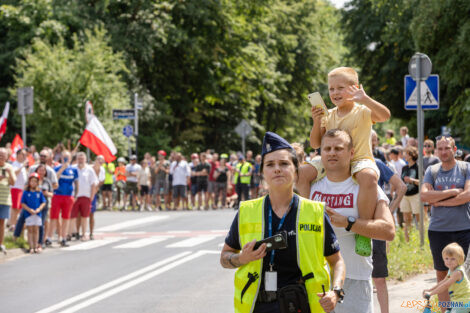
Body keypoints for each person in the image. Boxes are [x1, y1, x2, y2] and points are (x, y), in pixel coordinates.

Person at [221, 132, 345, 313]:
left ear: (296, 170)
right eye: (270, 165)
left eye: (284, 164)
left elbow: (337, 261)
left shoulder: (315, 211)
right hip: (258, 307)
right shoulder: (246, 211)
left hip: (305, 305)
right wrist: (241, 258)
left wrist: (336, 292)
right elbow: (225, 257)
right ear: (262, 172)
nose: (277, 169)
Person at [298, 129, 395, 313]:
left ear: (351, 153)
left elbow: (388, 231)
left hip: (355, 278)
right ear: (320, 154)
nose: (332, 152)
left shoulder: (366, 187)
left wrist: (349, 222)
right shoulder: (310, 186)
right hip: (315, 278)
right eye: (327, 148)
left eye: (338, 148)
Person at [309, 67, 390, 238]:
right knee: (302, 172)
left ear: (354, 88)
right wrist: (317, 122)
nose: (335, 92)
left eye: (340, 88)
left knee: (369, 176)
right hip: (332, 162)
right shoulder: (328, 115)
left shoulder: (361, 111)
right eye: (331, 89)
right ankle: (307, 217)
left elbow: (385, 116)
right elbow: (315, 143)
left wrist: (365, 99)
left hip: (359, 160)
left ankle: (364, 229)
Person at [421, 135, 470, 312]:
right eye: (440, 149)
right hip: (438, 230)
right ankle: (446, 311)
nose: (443, 152)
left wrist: (440, 201)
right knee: (442, 274)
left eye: (447, 148)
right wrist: (453, 192)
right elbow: (424, 196)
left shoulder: (465, 168)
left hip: (463, 228)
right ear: (436, 151)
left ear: (454, 150)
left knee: (463, 274)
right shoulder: (432, 170)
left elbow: (467, 195)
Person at [373, 157, 407, 313]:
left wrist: (389, 211)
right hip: (350, 228)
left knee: (379, 278)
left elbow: (401, 186)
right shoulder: (340, 161)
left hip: (375, 227)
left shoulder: (376, 163)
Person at [423, 243, 470, 312]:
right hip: (456, 301)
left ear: (460, 259)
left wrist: (431, 294)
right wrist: (430, 289)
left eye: (453, 259)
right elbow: (443, 282)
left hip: (464, 302)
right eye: (446, 258)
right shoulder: (451, 270)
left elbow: (445, 285)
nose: (449, 261)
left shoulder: (458, 272)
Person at [50, 151, 78, 247]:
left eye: (67, 157)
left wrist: (75, 195)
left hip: (68, 196)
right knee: (54, 217)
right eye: (64, 157)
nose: (65, 159)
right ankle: (49, 237)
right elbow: (54, 180)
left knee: (66, 218)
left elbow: (76, 183)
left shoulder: (73, 170)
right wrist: (62, 168)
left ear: (70, 158)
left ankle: (63, 238)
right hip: (57, 195)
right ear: (61, 158)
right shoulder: (56, 168)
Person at [70, 152, 98, 240]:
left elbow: (94, 184)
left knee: (84, 216)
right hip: (75, 196)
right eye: (79, 159)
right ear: (76, 159)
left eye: (82, 159)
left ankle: (83, 234)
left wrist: (92, 196)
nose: (80, 160)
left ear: (85, 160)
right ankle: (74, 233)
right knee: (73, 216)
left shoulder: (89, 170)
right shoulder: (73, 168)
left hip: (86, 196)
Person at [21, 173, 46, 253]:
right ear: (29, 182)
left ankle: (36, 246)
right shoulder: (25, 192)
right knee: (30, 230)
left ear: (38, 183)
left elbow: (43, 202)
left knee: (36, 230)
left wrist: (39, 209)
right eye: (32, 181)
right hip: (29, 214)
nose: (33, 183)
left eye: (35, 181)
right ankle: (31, 246)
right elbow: (23, 203)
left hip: (37, 214)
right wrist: (29, 210)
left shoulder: (39, 192)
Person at [400, 146, 420, 242]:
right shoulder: (404, 167)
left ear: (412, 155)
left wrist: (411, 180)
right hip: (405, 196)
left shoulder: (418, 167)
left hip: (415, 195)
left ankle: (421, 239)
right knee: (406, 219)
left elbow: (423, 181)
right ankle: (408, 241)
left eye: (406, 153)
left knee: (419, 218)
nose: (404, 155)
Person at [0, 148, 16, 254]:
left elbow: (13, 182)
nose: (1, 156)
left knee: (2, 223)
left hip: (5, 199)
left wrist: (9, 173)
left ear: (7, 157)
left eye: (3, 155)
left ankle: (1, 243)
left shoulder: (9, 167)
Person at [9, 149, 28, 231]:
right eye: (22, 154)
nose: (24, 156)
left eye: (25, 154)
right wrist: (22, 166)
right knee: (15, 208)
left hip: (21, 189)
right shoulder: (15, 164)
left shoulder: (21, 165)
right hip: (15, 188)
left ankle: (15, 224)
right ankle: (12, 225)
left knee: (19, 208)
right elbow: (14, 173)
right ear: (17, 155)